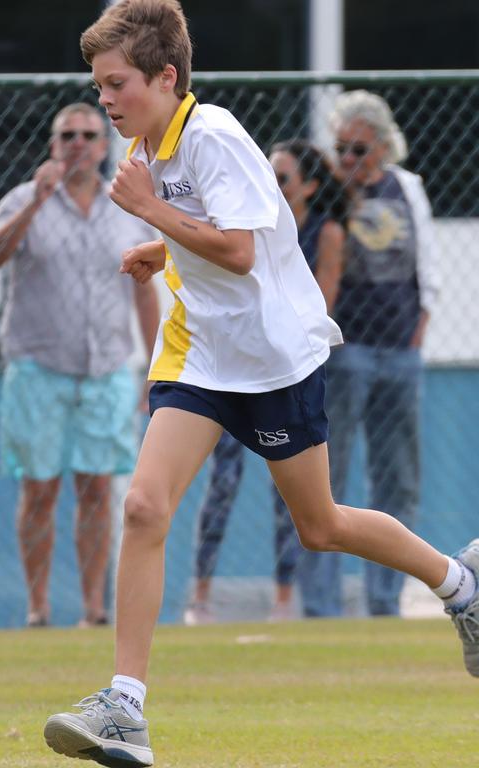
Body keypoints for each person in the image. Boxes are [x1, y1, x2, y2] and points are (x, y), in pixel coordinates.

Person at [43, 3, 478, 766]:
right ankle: (125, 708)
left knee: (322, 526)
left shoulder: (210, 136)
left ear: (165, 77)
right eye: (99, 85)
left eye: (116, 84)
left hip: (273, 360)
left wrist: (150, 215)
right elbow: (208, 233)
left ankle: (460, 586)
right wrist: (158, 246)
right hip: (201, 353)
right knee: (144, 506)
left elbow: (242, 251)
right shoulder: (152, 142)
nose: (104, 99)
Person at [0, 102, 160, 629]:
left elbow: (144, 291)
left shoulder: (124, 205)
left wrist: (153, 364)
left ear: (104, 147)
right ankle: (38, 608)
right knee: (39, 489)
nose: (78, 143)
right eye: (68, 136)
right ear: (54, 145)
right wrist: (33, 206)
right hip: (39, 367)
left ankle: (93, 610)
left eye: (88, 134)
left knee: (99, 489)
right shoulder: (23, 198)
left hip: (105, 369)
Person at [184, 140, 348, 625]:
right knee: (220, 486)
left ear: (309, 188)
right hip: (229, 370)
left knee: (305, 510)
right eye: (269, 174)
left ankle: (283, 600)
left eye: (284, 178)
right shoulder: (240, 219)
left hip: (282, 370)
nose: (272, 185)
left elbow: (319, 298)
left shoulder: (320, 230)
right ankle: (200, 598)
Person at [298, 90, 440, 618]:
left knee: (396, 477)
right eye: (341, 149)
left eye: (358, 149)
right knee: (325, 484)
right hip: (345, 350)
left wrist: (420, 328)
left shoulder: (408, 188)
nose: (349, 161)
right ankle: (320, 606)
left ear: (382, 147)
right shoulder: (329, 194)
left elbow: (425, 262)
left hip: (400, 349)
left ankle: (385, 601)